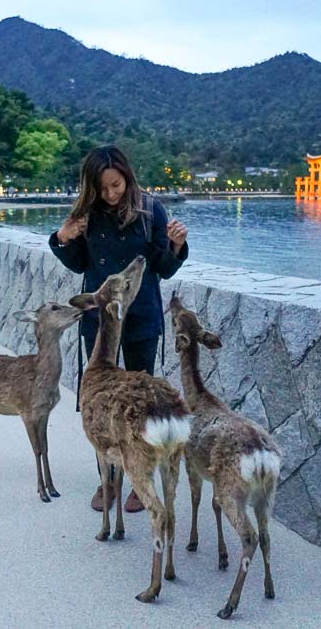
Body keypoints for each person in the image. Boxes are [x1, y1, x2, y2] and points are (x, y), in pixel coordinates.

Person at [49, 145, 189, 513]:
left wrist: (176, 245)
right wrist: (63, 237)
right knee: (98, 405)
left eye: (116, 185)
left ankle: (140, 479)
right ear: (92, 187)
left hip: (141, 316)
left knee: (140, 407)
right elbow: (79, 264)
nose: (111, 194)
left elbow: (162, 266)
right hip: (100, 319)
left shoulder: (150, 210)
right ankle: (107, 480)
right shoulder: (86, 213)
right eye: (103, 188)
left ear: (127, 176)